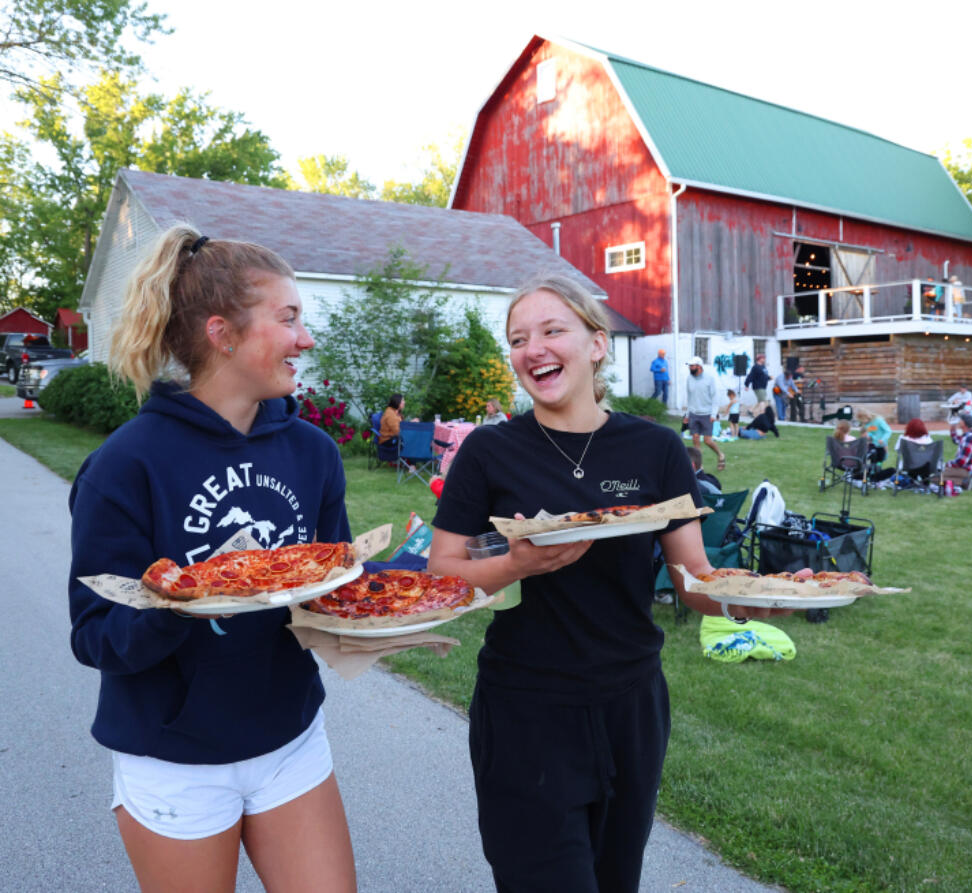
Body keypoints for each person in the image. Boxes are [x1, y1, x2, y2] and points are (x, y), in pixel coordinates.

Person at [426, 274, 787, 892]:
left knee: (616, 879)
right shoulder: (489, 451)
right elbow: (442, 574)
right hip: (525, 709)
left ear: (597, 345)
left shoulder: (654, 448)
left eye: (552, 330)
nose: (532, 348)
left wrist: (760, 595)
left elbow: (693, 578)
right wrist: (517, 564)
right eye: (518, 339)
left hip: (631, 704)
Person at [67, 226, 357, 892]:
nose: (305, 337)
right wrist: (180, 606)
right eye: (288, 318)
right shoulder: (123, 466)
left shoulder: (314, 453)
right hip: (175, 754)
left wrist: (370, 615)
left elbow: (330, 584)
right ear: (223, 333)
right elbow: (93, 634)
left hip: (289, 737)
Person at [685, 355, 726, 471]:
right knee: (695, 438)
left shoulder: (709, 379)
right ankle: (699, 467)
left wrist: (713, 414)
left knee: (707, 441)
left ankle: (720, 454)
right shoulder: (689, 379)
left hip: (707, 414)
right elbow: (689, 397)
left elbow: (715, 397)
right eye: (689, 366)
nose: (690, 368)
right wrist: (687, 414)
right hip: (693, 413)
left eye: (692, 366)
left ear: (699, 366)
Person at [944, 412, 972, 493]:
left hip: (965, 470)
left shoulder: (970, 438)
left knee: (936, 477)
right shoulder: (967, 436)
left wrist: (947, 465)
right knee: (938, 475)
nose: (958, 421)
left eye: (960, 420)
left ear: (964, 423)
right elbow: (955, 439)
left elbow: (961, 462)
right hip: (964, 469)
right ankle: (962, 482)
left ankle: (964, 482)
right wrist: (953, 427)